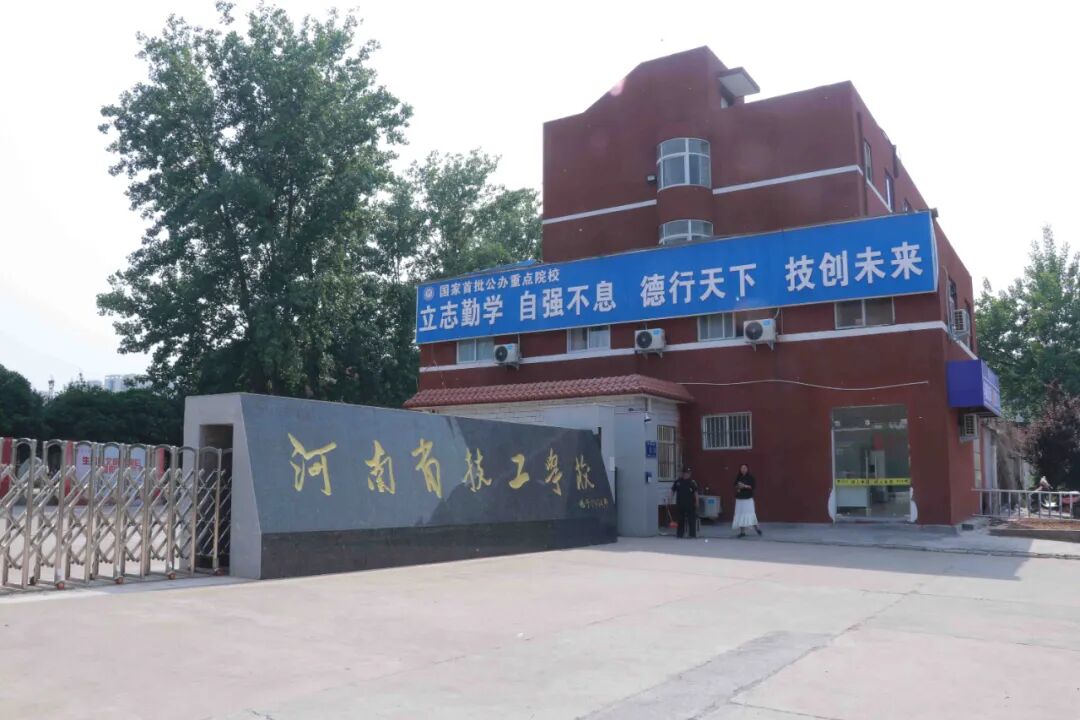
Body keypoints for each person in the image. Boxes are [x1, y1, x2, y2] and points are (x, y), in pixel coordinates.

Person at [733, 464, 762, 538]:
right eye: (742, 468)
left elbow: (752, 487)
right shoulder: (738, 477)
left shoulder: (750, 477)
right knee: (740, 514)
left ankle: (757, 529)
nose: (743, 469)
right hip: (740, 499)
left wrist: (744, 486)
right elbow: (735, 485)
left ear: (747, 469)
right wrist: (738, 487)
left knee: (750, 514)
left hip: (748, 499)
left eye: (744, 468)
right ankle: (742, 532)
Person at [669, 467, 699, 539]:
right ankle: (680, 534)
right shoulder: (678, 482)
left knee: (691, 520)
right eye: (686, 473)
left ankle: (692, 535)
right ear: (683, 473)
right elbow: (672, 491)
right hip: (680, 504)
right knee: (680, 519)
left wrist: (697, 502)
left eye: (688, 473)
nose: (687, 474)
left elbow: (696, 493)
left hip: (690, 504)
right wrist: (670, 499)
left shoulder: (692, 482)